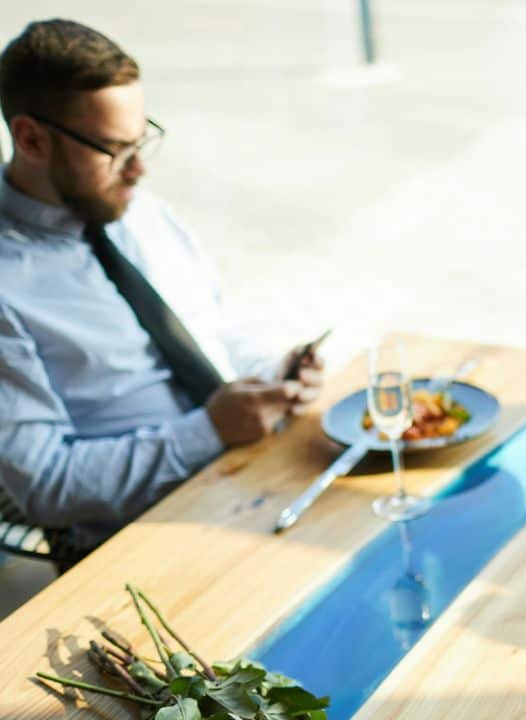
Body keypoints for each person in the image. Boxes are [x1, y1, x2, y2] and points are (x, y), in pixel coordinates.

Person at [0, 19, 325, 569]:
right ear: (32, 139)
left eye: (142, 138)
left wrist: (276, 374)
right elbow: (47, 485)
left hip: (251, 474)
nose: (140, 169)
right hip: (139, 542)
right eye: (114, 149)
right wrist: (207, 431)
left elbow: (218, 332)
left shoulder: (141, 213)